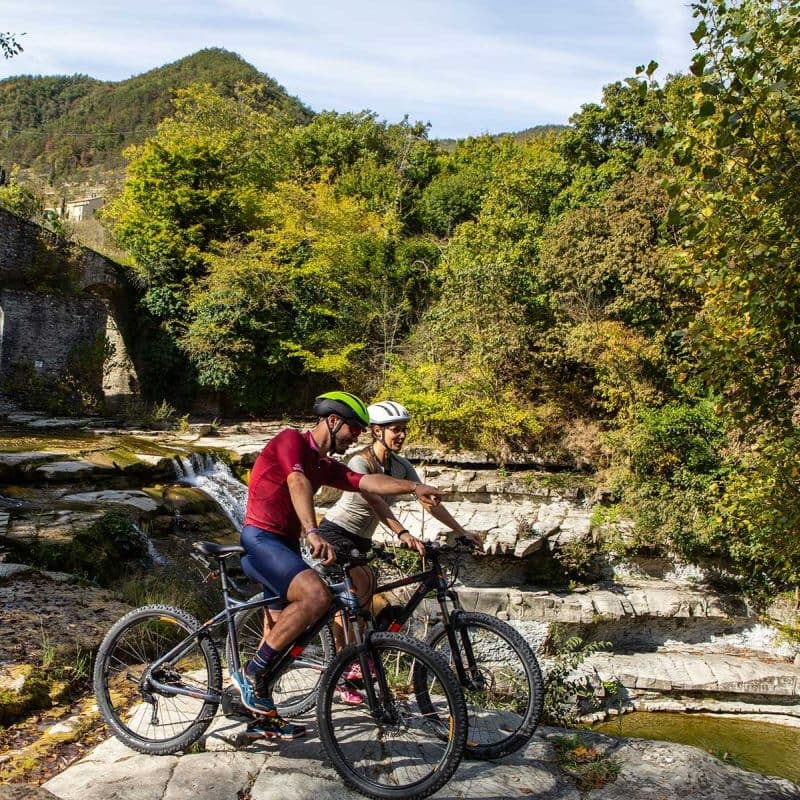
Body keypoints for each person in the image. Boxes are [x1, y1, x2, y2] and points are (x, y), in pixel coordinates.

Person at [235, 390, 444, 739]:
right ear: (333, 421)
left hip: (283, 545)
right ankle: (253, 673)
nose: (357, 437)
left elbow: (366, 483)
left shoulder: (324, 464)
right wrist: (313, 530)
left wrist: (412, 486)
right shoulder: (291, 442)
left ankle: (259, 714)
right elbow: (296, 481)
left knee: (278, 630)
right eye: (354, 429)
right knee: (316, 596)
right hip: (260, 539)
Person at [317, 400, 483, 703]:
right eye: (396, 430)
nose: (402, 435)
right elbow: (375, 500)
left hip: (362, 541)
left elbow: (429, 501)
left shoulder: (400, 466)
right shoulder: (359, 462)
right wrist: (403, 533)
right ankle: (342, 669)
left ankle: (355, 664)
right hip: (335, 533)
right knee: (355, 595)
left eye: (404, 430)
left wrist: (462, 531)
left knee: (365, 598)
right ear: (376, 431)